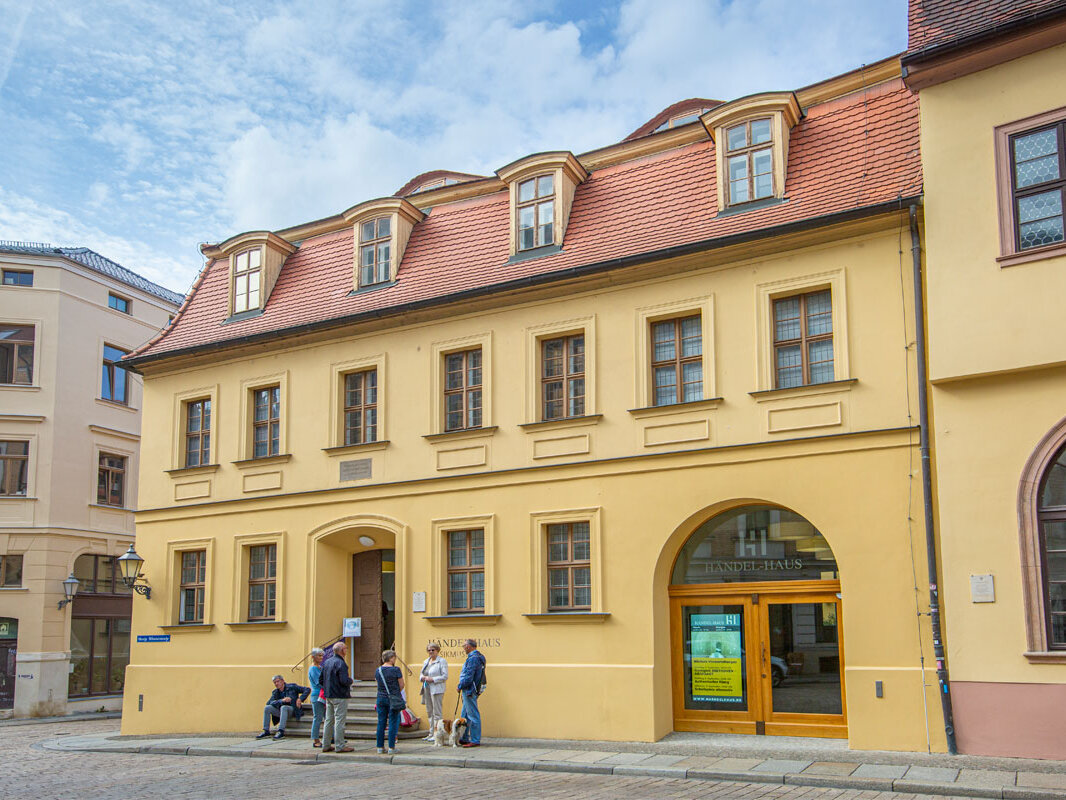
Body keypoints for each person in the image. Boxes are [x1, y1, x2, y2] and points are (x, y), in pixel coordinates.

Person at [321, 641, 353, 753]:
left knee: (328, 720)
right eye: (345, 649)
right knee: (339, 721)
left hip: (328, 695)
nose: (346, 651)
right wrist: (350, 681)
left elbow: (321, 680)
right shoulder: (341, 663)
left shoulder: (326, 662)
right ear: (341, 651)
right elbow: (344, 680)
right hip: (340, 695)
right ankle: (340, 745)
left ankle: (325, 744)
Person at [256, 674, 310, 740]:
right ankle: (266, 731)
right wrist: (281, 701)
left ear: (282, 681)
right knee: (267, 708)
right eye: (275, 682)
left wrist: (300, 699)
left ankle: (281, 731)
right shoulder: (275, 692)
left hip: (293, 710)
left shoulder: (292, 687)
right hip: (281, 712)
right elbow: (270, 702)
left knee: (284, 707)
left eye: (277, 681)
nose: (276, 684)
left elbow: (307, 689)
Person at [456, 638, 486, 748]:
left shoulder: (473, 658)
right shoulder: (479, 657)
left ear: (468, 646)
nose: (463, 648)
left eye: (464, 646)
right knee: (465, 715)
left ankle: (475, 739)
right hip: (472, 689)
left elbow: (469, 676)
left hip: (469, 690)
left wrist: (460, 686)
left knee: (473, 715)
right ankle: (463, 737)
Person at [374, 649, 405, 754]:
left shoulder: (378, 670)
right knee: (392, 722)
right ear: (391, 658)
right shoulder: (396, 670)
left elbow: (378, 684)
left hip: (381, 697)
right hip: (393, 698)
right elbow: (401, 685)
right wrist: (395, 693)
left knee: (381, 722)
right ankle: (391, 747)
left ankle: (380, 747)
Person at [418, 642, 448, 741]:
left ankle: (437, 734)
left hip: (437, 689)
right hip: (426, 688)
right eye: (429, 650)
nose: (431, 652)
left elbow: (444, 676)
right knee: (429, 711)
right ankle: (431, 733)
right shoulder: (426, 661)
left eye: (433, 650)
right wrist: (422, 678)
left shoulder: (442, 661)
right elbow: (421, 674)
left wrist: (433, 679)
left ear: (437, 651)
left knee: (437, 712)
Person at [307, 647, 326, 747]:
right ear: (313, 657)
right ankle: (315, 739)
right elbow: (318, 682)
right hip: (317, 695)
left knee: (327, 717)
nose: (321, 657)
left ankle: (330, 737)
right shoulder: (313, 668)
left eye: (322, 655)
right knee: (318, 717)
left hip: (323, 694)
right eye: (319, 655)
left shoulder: (320, 667)